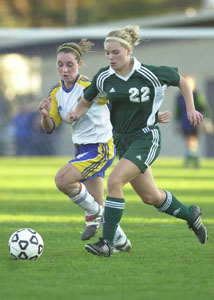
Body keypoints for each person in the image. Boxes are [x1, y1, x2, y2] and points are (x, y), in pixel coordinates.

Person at [66, 25, 208, 257]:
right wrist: (75, 113)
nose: (110, 57)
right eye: (107, 53)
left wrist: (191, 110)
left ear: (129, 51)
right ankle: (190, 215)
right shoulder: (104, 76)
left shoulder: (150, 73)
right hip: (122, 141)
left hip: (146, 137)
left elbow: (182, 82)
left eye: (115, 53)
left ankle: (107, 243)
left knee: (114, 181)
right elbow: (86, 100)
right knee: (151, 196)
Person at [38, 39, 132, 253]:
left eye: (69, 64)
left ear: (80, 65)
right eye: (60, 64)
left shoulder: (91, 86)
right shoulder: (56, 93)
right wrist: (44, 115)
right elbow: (50, 127)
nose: (64, 69)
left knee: (62, 180)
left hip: (101, 148)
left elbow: (118, 100)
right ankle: (121, 241)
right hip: (82, 150)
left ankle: (93, 216)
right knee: (98, 201)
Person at [175, 75, 213, 168]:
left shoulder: (197, 95)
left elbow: (205, 109)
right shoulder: (179, 96)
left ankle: (189, 162)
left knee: (192, 140)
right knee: (190, 141)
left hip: (196, 122)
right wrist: (176, 122)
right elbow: (177, 110)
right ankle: (195, 161)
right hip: (185, 122)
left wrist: (207, 121)